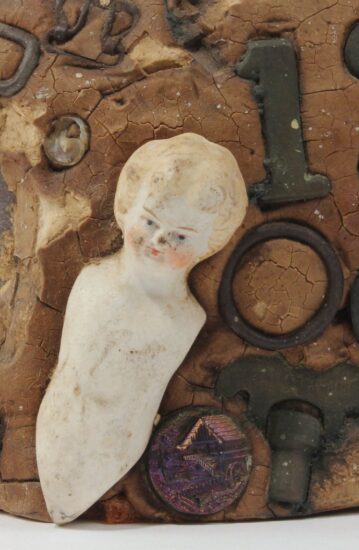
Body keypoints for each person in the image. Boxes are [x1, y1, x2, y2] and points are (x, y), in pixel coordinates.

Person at [35, 133, 248, 525]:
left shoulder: (185, 320)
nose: (158, 240)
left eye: (180, 236)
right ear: (126, 209)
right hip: (60, 434)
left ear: (209, 244)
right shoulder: (93, 284)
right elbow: (74, 380)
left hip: (117, 447)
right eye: (149, 221)